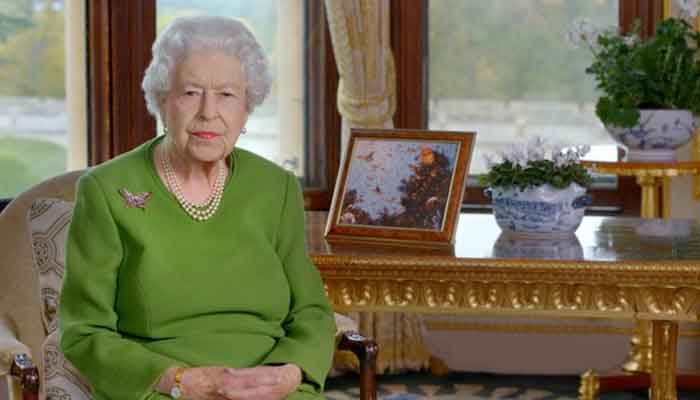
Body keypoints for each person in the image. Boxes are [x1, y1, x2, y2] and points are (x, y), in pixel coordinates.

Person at [59, 16, 336, 400]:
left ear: (246, 108)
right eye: (191, 92)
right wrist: (178, 381)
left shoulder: (277, 188)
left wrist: (289, 373)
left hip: (272, 390)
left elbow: (311, 311)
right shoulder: (105, 190)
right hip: (166, 390)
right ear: (162, 100)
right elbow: (83, 332)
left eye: (226, 94)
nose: (209, 112)